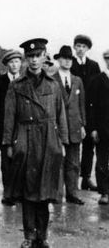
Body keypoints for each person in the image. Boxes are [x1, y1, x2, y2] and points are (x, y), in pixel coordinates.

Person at [3, 38, 68, 248]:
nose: (33, 60)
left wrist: (63, 142)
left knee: (46, 190)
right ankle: (29, 236)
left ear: (44, 56)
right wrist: (10, 144)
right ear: (25, 59)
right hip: (26, 138)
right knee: (28, 191)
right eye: (30, 56)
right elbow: (9, 117)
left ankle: (43, 235)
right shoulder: (16, 86)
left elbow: (61, 115)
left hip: (49, 141)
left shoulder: (54, 85)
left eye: (37, 56)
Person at [0, 49, 23, 205]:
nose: (14, 65)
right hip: (4, 127)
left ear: (21, 63)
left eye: (17, 61)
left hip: (22, 127)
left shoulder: (25, 80)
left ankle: (20, 192)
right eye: (11, 62)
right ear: (7, 65)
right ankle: (8, 192)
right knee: (6, 161)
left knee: (22, 159)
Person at [54, 45, 87, 205]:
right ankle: (57, 195)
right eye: (64, 58)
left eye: (70, 59)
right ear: (59, 60)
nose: (67, 62)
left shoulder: (77, 80)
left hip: (74, 127)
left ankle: (73, 193)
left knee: (74, 162)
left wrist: (82, 125)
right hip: (58, 127)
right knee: (58, 161)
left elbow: (81, 105)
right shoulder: (52, 80)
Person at [71, 34, 101, 191]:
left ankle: (86, 178)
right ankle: (71, 180)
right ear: (74, 48)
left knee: (89, 146)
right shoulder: (71, 64)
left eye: (83, 46)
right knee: (73, 146)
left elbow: (98, 88)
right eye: (78, 46)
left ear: (88, 48)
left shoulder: (94, 66)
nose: (80, 49)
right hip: (75, 111)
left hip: (90, 110)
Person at [87, 49, 109, 205]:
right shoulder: (98, 80)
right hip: (103, 129)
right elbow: (91, 107)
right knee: (102, 161)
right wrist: (93, 128)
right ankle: (104, 192)